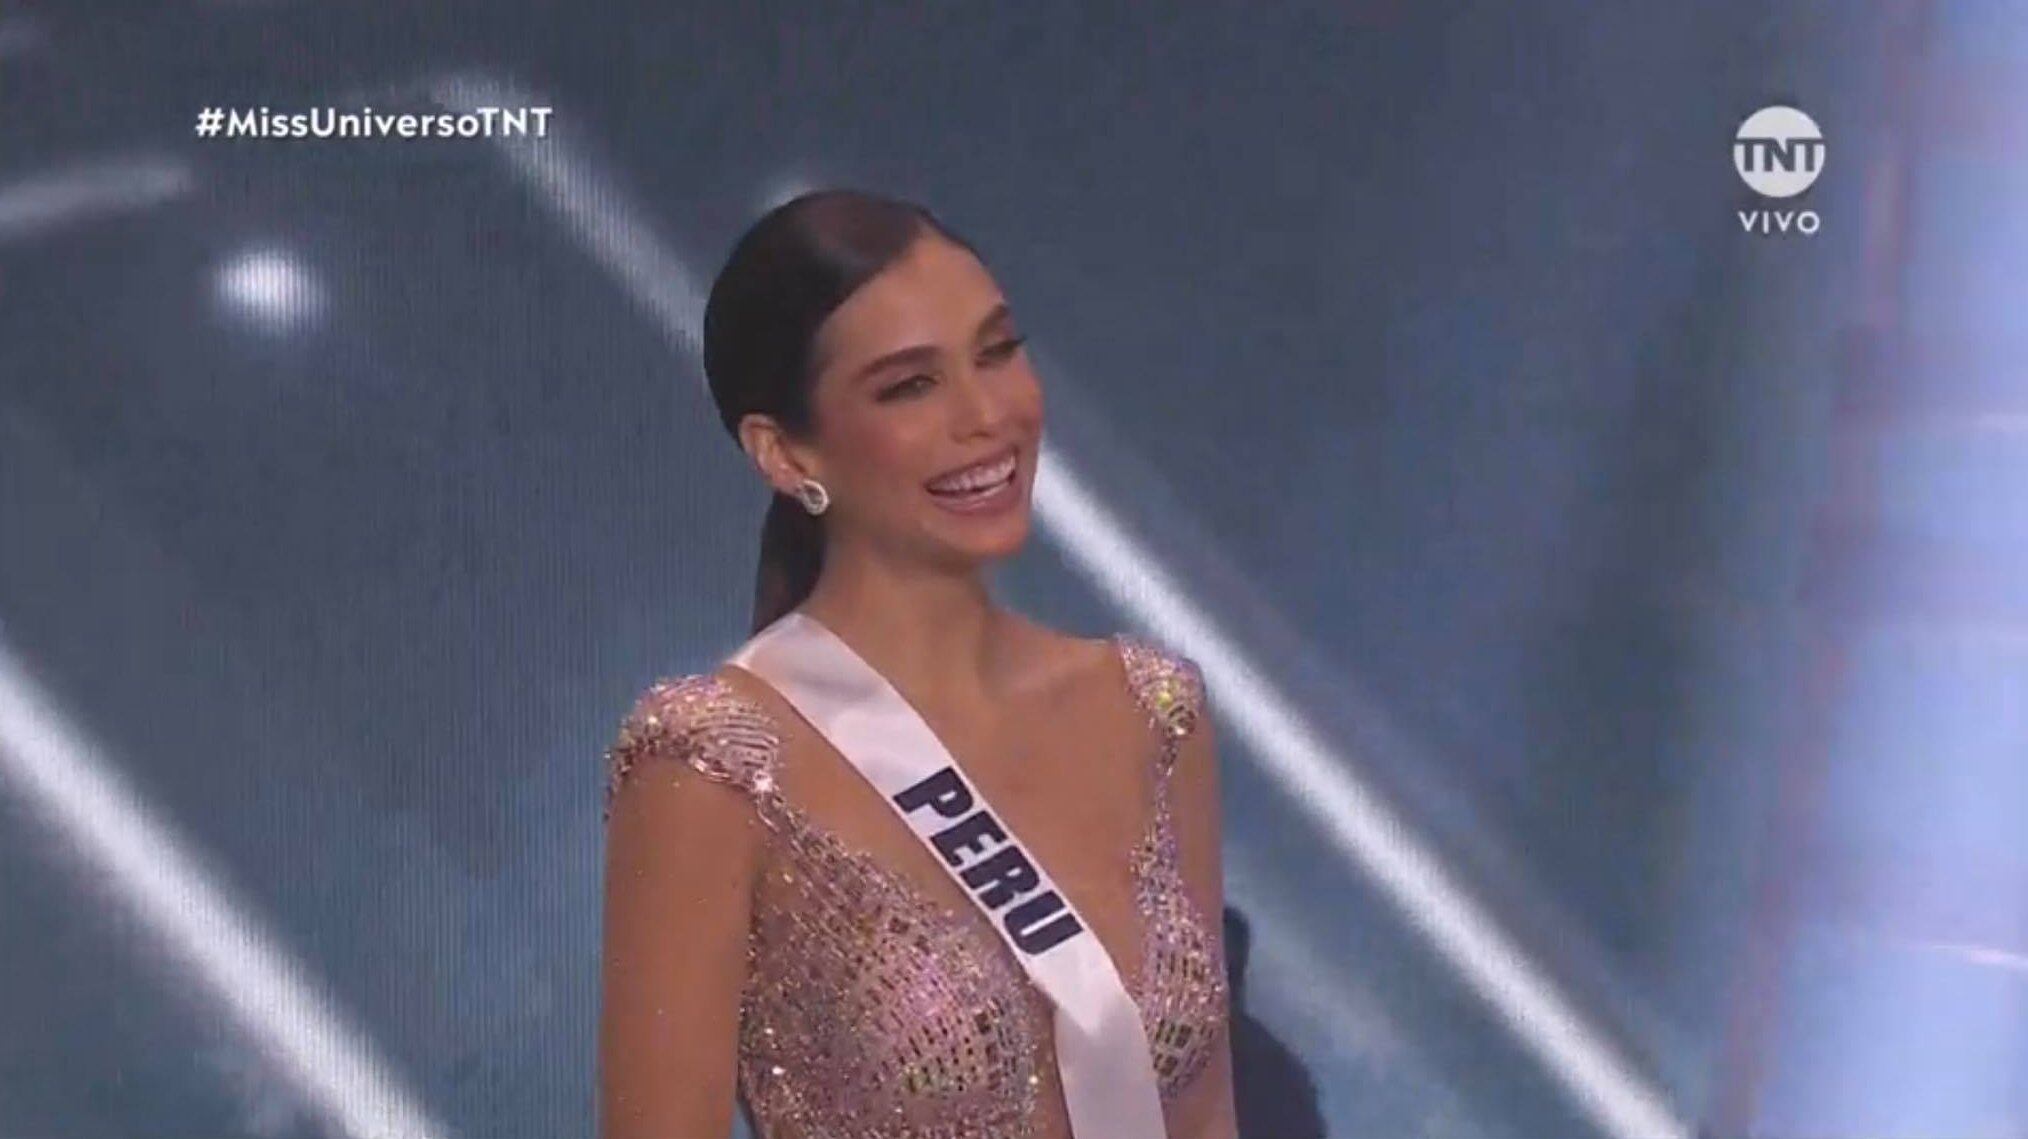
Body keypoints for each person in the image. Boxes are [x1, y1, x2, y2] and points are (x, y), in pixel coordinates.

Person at [599, 188, 1238, 1139]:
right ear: (783, 451)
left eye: (998, 351)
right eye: (910, 386)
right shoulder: (711, 762)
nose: (986, 415)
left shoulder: (1153, 711)